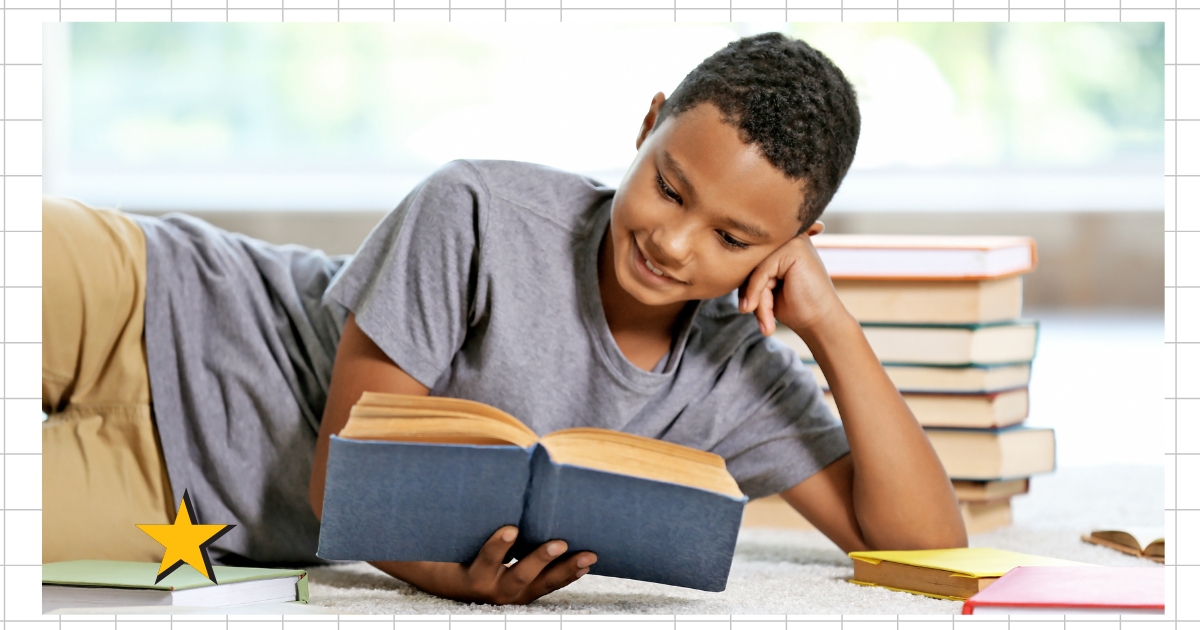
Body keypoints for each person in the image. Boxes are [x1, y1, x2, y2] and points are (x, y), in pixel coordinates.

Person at [42, 31, 967, 605]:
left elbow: (929, 551)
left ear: (794, 240)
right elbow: (345, 478)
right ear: (647, 124)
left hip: (180, 492)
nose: (676, 245)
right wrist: (448, 576)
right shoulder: (478, 208)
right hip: (144, 296)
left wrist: (833, 330)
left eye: (733, 236)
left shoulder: (738, 374)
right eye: (668, 188)